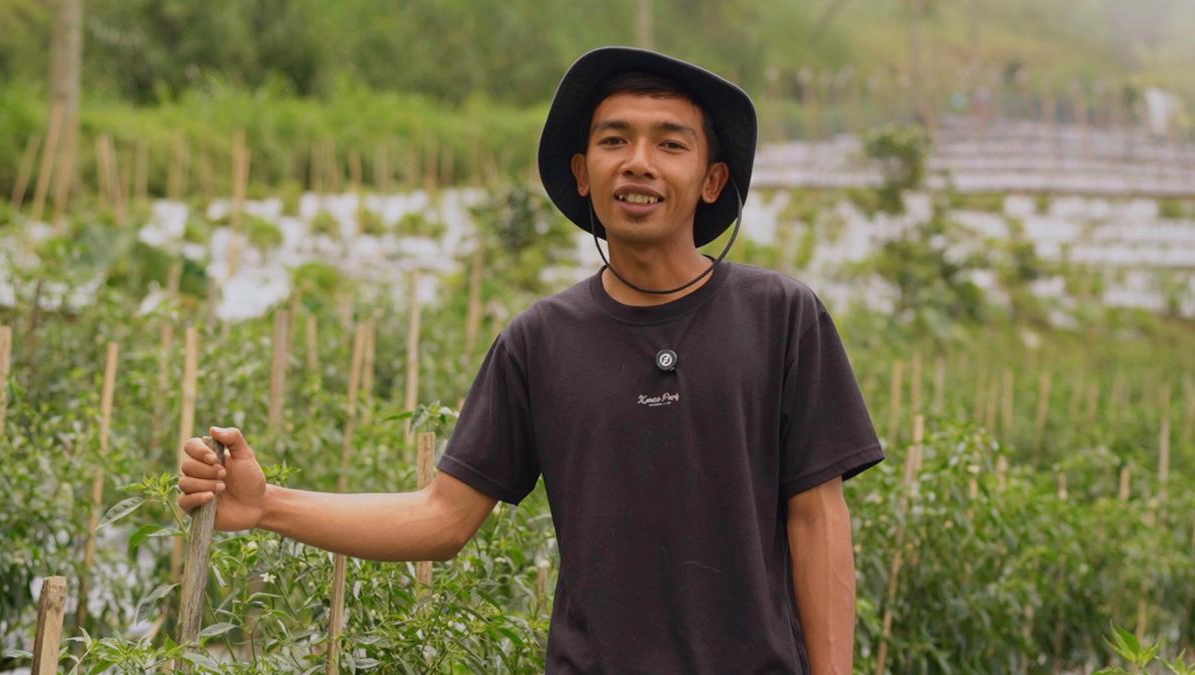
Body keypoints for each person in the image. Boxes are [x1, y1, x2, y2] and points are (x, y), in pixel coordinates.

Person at [179, 46, 884, 674]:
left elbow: (817, 519)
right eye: (615, 140)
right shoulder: (542, 340)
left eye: (670, 143)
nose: (638, 161)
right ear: (583, 172)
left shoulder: (781, 317)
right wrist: (267, 505)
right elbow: (442, 518)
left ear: (710, 179)